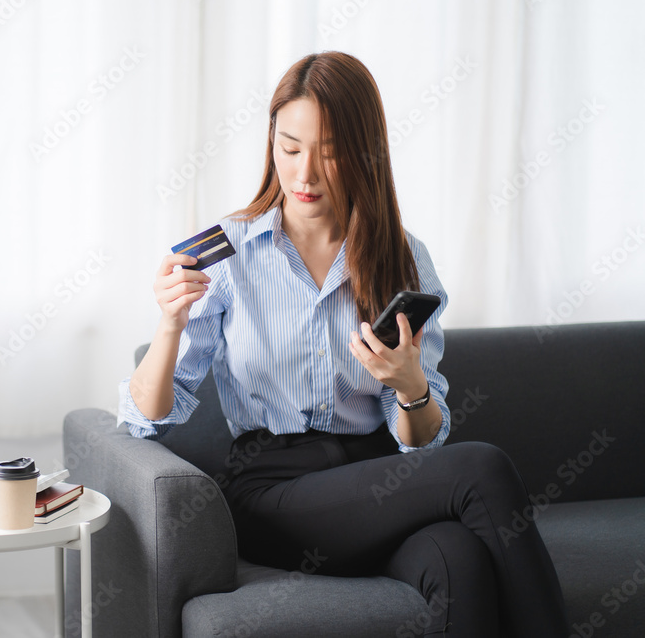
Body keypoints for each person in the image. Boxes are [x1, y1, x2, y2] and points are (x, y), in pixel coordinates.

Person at [117, 51, 568, 636]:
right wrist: (170, 324)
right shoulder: (225, 253)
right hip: (275, 492)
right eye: (290, 147)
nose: (304, 175)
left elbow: (420, 442)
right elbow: (145, 420)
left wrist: (409, 388)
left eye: (329, 153)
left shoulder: (403, 258)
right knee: (481, 467)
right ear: (272, 143)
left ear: (363, 153)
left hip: (376, 487)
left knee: (461, 561)